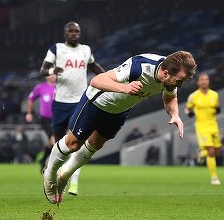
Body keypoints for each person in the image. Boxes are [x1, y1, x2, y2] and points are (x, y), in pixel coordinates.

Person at [42, 51, 197, 204]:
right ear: (165, 73)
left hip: (120, 110)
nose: (180, 84)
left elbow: (170, 98)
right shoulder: (139, 66)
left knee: (95, 144)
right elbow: (97, 80)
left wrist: (175, 114)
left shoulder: (170, 77)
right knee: (73, 144)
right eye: (180, 81)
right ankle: (49, 175)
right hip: (96, 102)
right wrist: (125, 88)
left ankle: (64, 175)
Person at [40, 21, 105, 196]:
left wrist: (108, 77)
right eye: (71, 30)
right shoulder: (56, 49)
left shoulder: (86, 50)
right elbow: (43, 70)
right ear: (65, 33)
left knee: (77, 142)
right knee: (59, 143)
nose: (74, 33)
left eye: (77, 31)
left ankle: (73, 182)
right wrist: (54, 69)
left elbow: (93, 66)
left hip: (80, 102)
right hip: (60, 102)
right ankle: (52, 176)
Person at [185, 73, 222, 185]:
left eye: (206, 79)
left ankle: (202, 153)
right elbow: (187, 109)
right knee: (211, 151)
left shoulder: (215, 95)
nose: (204, 81)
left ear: (208, 81)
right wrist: (189, 113)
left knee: (217, 152)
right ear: (198, 82)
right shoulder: (193, 96)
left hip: (213, 125)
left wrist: (217, 110)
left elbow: (217, 108)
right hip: (202, 126)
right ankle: (214, 177)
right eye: (202, 80)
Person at [25, 75, 56, 172]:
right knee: (54, 140)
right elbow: (31, 99)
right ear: (47, 76)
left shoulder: (60, 87)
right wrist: (29, 113)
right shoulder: (40, 87)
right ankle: (53, 164)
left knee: (52, 142)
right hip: (45, 119)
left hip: (58, 119)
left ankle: (43, 160)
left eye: (54, 74)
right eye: (50, 74)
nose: (52, 76)